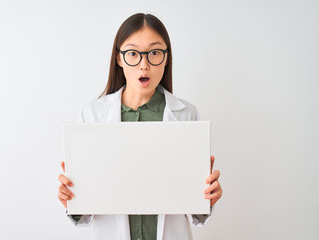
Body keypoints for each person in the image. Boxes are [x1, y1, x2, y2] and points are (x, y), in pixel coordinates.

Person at [57, 13, 222, 240]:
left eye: (154, 53)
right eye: (133, 53)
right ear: (119, 58)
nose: (144, 65)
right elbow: (85, 212)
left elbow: (194, 211)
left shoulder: (187, 115)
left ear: (166, 58)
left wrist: (207, 199)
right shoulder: (92, 115)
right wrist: (72, 198)